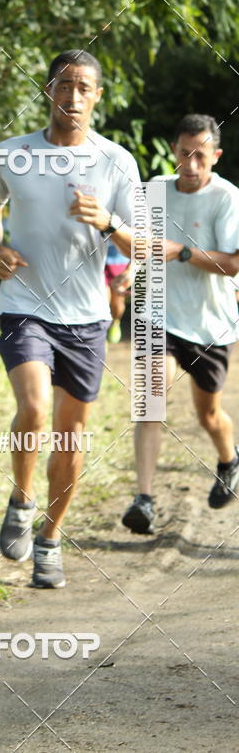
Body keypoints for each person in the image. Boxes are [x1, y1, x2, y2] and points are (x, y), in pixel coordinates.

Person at [0, 50, 141, 588]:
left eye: (83, 87)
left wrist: (106, 220)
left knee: (71, 435)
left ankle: (49, 538)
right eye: (63, 85)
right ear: (48, 90)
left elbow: (140, 244)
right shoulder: (12, 153)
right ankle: (22, 499)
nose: (72, 96)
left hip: (87, 317)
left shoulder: (117, 161)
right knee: (34, 407)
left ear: (97, 96)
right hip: (24, 305)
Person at [119, 114, 239, 535]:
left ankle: (229, 459)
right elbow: (139, 245)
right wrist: (127, 272)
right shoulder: (154, 190)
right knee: (150, 400)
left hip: (210, 323)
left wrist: (182, 252)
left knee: (209, 415)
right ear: (173, 151)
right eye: (185, 154)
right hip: (159, 315)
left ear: (216, 156)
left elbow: (234, 264)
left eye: (201, 156)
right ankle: (144, 499)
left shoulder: (227, 197)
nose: (191, 164)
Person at [104, 242, 129, 343]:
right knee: (102, 300)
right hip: (96, 261)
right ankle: (102, 332)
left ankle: (115, 322)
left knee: (117, 303)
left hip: (119, 260)